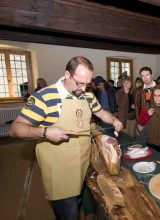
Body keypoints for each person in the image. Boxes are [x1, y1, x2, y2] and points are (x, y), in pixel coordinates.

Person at [9, 56, 123, 219]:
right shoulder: (45, 96)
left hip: (82, 164)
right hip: (59, 170)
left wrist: (113, 119)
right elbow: (15, 129)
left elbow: (101, 112)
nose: (84, 88)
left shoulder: (88, 96)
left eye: (87, 83)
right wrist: (45, 132)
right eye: (80, 83)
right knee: (68, 214)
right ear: (67, 75)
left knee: (78, 202)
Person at [138, 85, 160, 153]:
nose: (157, 98)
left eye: (159, 95)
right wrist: (147, 115)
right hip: (150, 140)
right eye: (155, 95)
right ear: (152, 96)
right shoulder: (146, 106)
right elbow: (141, 122)